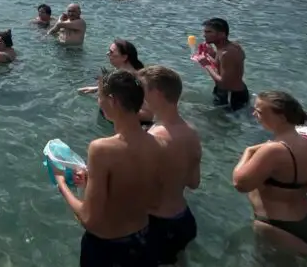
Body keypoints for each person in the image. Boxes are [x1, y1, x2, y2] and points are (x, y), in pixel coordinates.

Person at [54, 70, 163, 266]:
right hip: (144, 240)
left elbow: (89, 219)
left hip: (107, 249)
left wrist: (61, 183)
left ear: (112, 101)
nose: (99, 102)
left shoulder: (101, 149)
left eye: (100, 97)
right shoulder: (158, 143)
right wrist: (91, 181)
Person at [232, 91, 307, 257]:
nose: (254, 114)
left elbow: (240, 183)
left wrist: (248, 152)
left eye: (259, 111)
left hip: (281, 227)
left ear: (282, 117)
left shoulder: (273, 150)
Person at [140, 66, 201, 265]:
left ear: (157, 93)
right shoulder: (191, 132)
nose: (140, 96)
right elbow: (193, 183)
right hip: (184, 220)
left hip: (158, 225)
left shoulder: (154, 136)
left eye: (143, 90)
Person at [79, 39, 153, 127]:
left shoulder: (136, 80)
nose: (107, 54)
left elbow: (148, 115)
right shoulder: (120, 73)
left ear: (124, 57)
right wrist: (97, 89)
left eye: (111, 52)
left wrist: (116, 113)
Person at [199, 18, 249, 111]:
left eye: (209, 32)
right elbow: (223, 66)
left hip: (231, 96)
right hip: (234, 92)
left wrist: (206, 65)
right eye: (205, 32)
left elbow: (223, 83)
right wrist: (211, 55)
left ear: (222, 34)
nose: (204, 35)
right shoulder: (228, 47)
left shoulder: (227, 53)